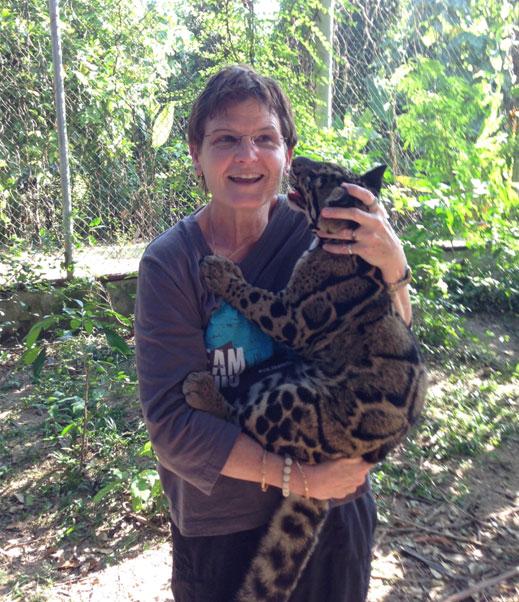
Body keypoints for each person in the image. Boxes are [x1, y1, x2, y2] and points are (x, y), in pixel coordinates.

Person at [135, 64, 412, 602]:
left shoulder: (325, 229)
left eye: (265, 138)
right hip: (224, 522)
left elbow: (390, 343)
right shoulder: (171, 264)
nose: (247, 155)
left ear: (287, 154)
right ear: (196, 152)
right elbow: (171, 428)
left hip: (334, 510)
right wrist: (301, 479)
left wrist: (394, 269)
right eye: (226, 140)